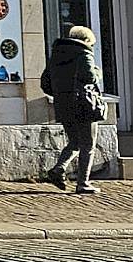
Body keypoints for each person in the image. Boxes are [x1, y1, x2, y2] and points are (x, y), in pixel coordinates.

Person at [42, 24, 104, 192]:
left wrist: (62, 94)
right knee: (88, 145)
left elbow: (45, 83)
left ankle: (59, 169)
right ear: (86, 40)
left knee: (75, 141)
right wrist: (98, 72)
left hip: (64, 105)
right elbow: (90, 77)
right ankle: (83, 183)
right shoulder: (84, 53)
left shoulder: (56, 55)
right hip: (84, 105)